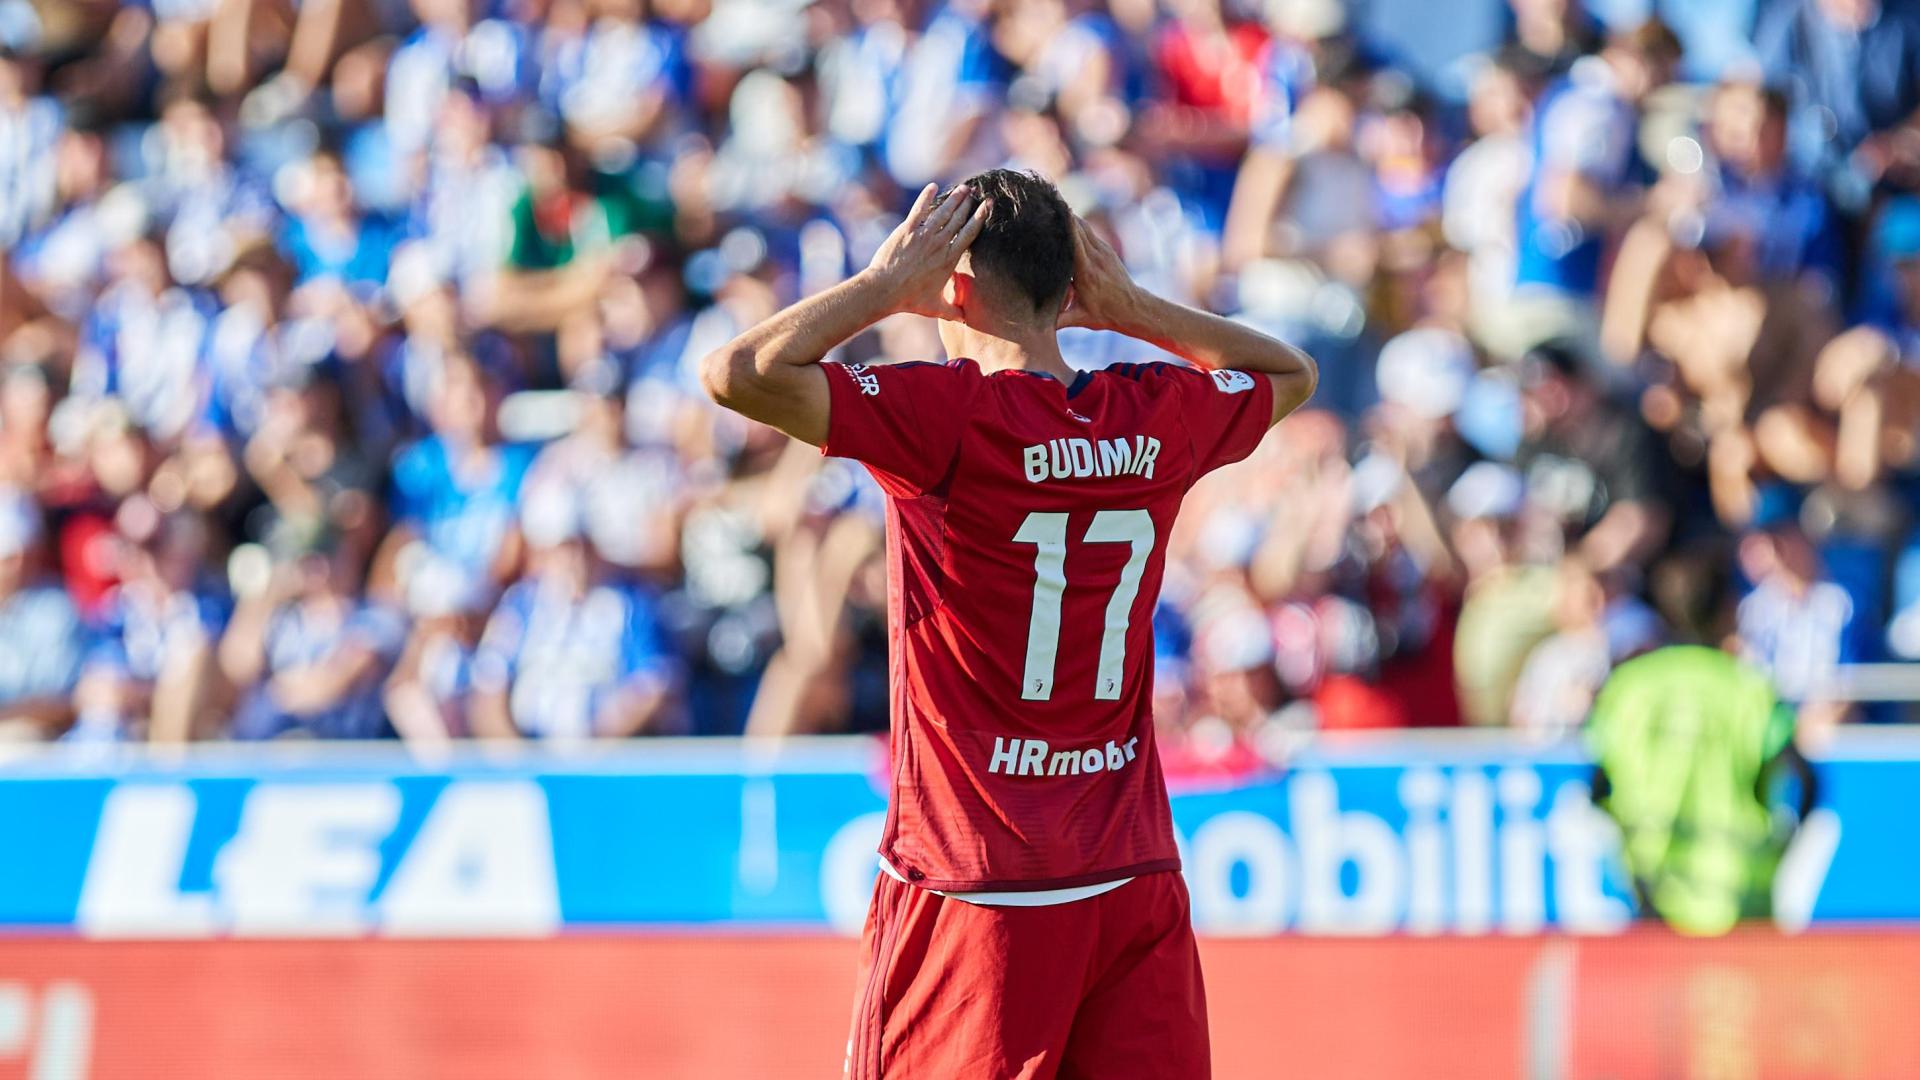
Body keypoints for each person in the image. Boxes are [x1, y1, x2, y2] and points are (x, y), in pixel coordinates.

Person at [700, 169, 1316, 1078]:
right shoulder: (1151, 410)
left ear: (947, 279)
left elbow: (736, 373)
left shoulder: (947, 415)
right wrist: (1134, 308)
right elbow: (1288, 375)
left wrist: (877, 287)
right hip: (1131, 876)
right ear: (1072, 287)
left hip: (976, 884)